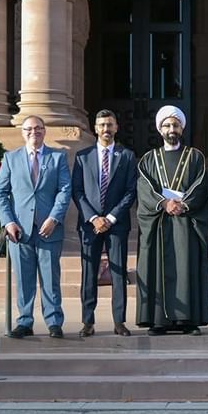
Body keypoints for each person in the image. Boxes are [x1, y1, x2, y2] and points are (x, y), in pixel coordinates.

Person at [0, 115, 72, 339]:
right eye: (28, 129)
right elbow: (0, 192)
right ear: (22, 132)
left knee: (50, 278)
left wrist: (54, 218)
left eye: (38, 128)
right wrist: (9, 222)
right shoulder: (11, 158)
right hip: (20, 231)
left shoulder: (57, 157)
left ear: (44, 131)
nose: (33, 132)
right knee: (24, 279)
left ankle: (54, 322)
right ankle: (25, 321)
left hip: (49, 229)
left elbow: (64, 190)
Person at [135, 106, 208, 336]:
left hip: (185, 223)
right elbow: (144, 188)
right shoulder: (149, 159)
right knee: (158, 269)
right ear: (160, 129)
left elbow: (201, 185)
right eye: (167, 125)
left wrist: (183, 204)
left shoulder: (195, 157)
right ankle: (159, 321)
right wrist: (164, 203)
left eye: (175, 125)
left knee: (186, 267)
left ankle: (187, 321)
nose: (171, 129)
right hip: (159, 223)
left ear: (182, 128)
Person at [71, 109, 137, 338]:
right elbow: (77, 191)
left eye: (110, 124)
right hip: (90, 225)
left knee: (118, 273)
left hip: (116, 224)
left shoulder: (127, 156)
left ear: (116, 127)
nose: (106, 129)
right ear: (95, 128)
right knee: (89, 273)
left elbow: (131, 191)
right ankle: (88, 322)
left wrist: (110, 218)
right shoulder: (82, 156)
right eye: (102, 125)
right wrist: (93, 218)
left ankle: (119, 321)